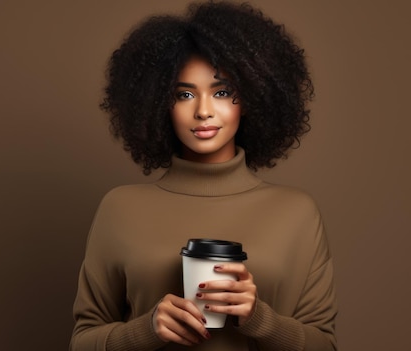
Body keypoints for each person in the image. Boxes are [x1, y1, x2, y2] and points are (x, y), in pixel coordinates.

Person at [70, 2, 337, 350]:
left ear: (253, 98)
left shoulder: (297, 212)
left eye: (222, 92)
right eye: (184, 94)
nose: (204, 111)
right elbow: (81, 342)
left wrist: (260, 319)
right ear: (159, 104)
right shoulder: (119, 207)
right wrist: (147, 329)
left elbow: (325, 346)